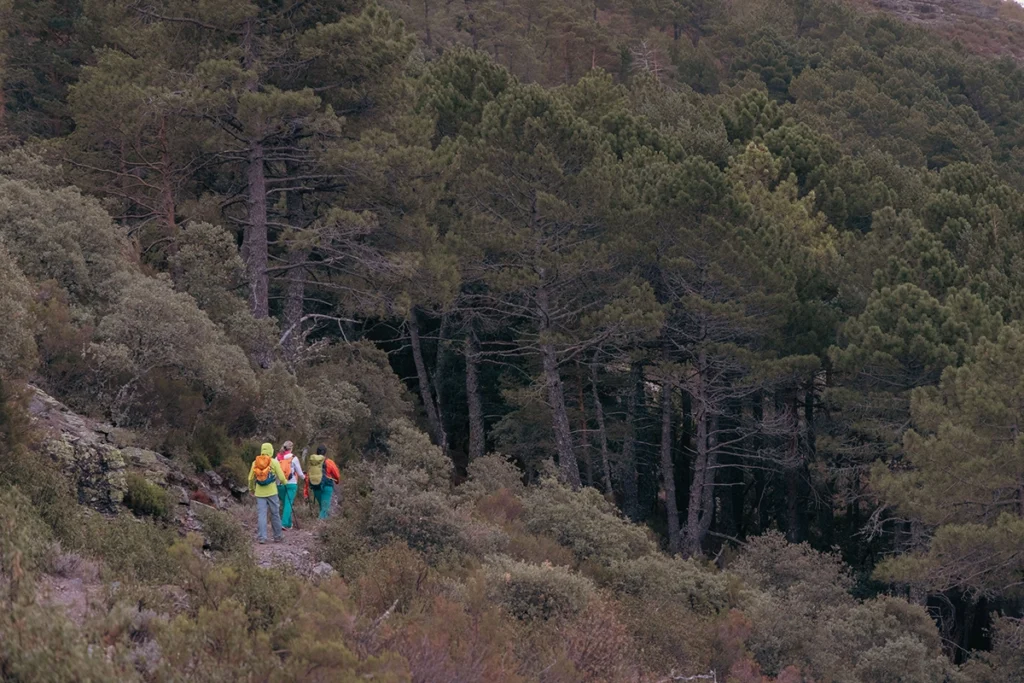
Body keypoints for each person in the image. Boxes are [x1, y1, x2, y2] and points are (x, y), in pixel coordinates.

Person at [248, 442, 287, 544]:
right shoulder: (274, 462)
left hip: (260, 493)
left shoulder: (255, 463)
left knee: (262, 514)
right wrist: (285, 483)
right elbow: (282, 477)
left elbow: (250, 478)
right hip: (272, 492)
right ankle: (278, 536)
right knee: (275, 513)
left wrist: (251, 489)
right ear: (271, 450)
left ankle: (262, 537)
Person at [303, 445, 340, 520]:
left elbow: (308, 476)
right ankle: (319, 527)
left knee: (322, 507)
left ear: (316, 452)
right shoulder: (328, 462)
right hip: (326, 486)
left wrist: (306, 491)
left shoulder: (312, 462)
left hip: (315, 486)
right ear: (325, 453)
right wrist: (337, 481)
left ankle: (323, 525)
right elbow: (337, 474)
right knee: (325, 509)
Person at [275, 440, 304, 529]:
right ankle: (283, 523)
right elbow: (300, 473)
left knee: (285, 503)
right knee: (289, 503)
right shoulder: (293, 458)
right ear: (291, 448)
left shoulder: (277, 458)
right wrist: (305, 477)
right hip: (291, 483)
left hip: (279, 484)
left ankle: (288, 523)